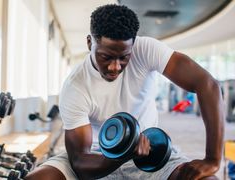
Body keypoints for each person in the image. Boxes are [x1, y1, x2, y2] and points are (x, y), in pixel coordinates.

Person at [25, 4, 224, 180]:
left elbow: (207, 84)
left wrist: (213, 159)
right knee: (40, 177)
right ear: (89, 43)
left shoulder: (146, 49)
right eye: (106, 57)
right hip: (95, 155)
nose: (115, 67)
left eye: (123, 58)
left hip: (148, 150)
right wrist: (124, 154)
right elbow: (80, 163)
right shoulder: (75, 85)